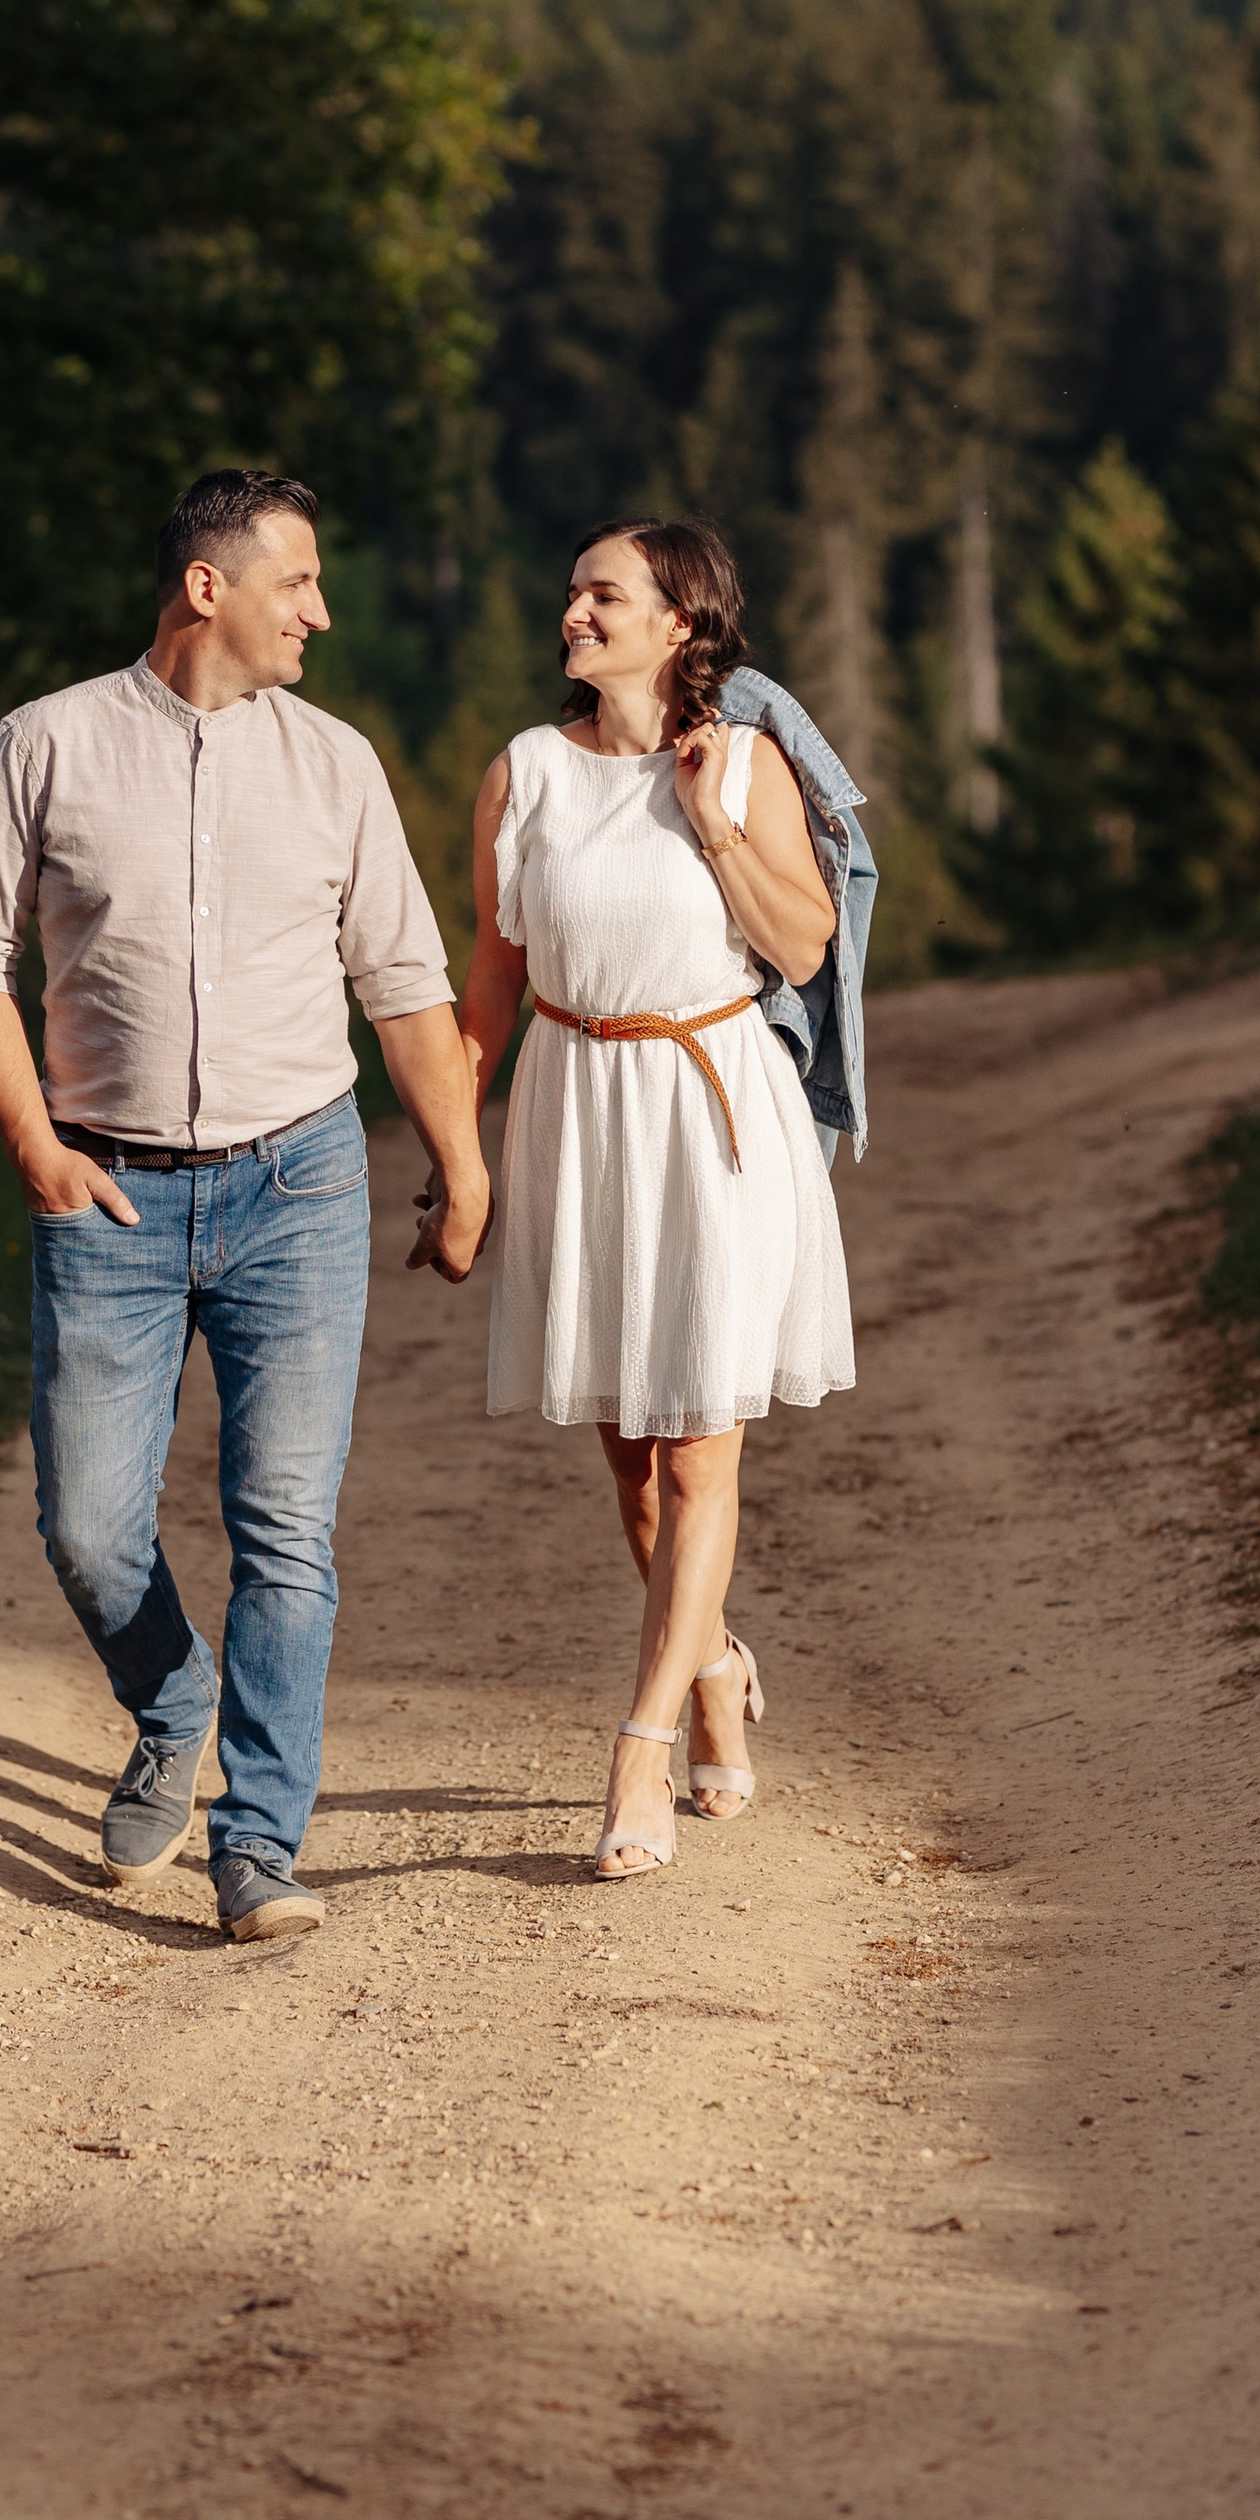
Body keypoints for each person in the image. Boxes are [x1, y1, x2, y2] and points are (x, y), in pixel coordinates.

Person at [0, 469, 491, 1943]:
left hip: (299, 1180)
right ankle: (172, 1695)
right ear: (206, 588)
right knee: (89, 1527)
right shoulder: (42, 747)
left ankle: (259, 1845)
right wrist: (34, 1152)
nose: (321, 608)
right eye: (297, 581)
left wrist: (465, 1155)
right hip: (105, 1192)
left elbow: (408, 987)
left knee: (285, 1527)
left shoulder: (336, 765)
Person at [444, 517, 856, 1880]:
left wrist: (711, 824)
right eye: (570, 591)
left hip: (713, 1108)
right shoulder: (523, 778)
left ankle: (637, 1750)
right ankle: (716, 1664)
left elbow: (801, 941)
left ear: (684, 621)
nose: (573, 611)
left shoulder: (742, 762)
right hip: (578, 1109)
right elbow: (491, 985)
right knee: (630, 1460)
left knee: (701, 1453)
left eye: (603, 593)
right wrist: (461, 1151)